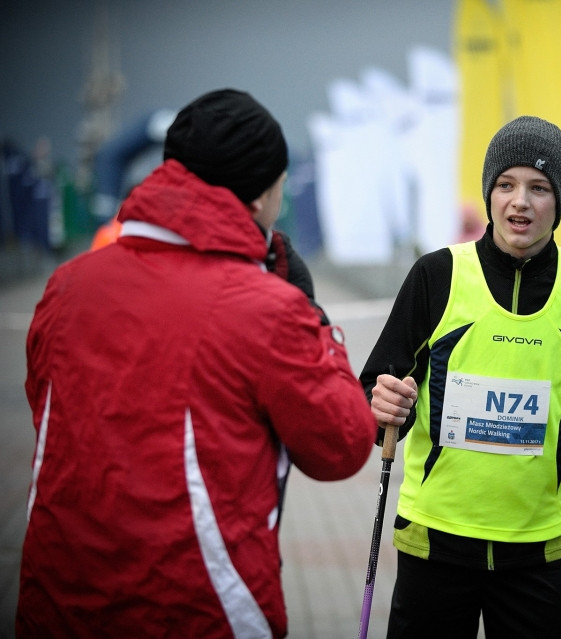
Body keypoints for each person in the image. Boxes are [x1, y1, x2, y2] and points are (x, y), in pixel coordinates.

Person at [17, 89, 378, 638]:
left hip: (58, 604)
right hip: (198, 610)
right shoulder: (266, 308)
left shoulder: (65, 287)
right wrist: (312, 317)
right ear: (259, 197)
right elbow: (342, 445)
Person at [359, 115, 561, 638]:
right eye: (505, 185)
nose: (520, 202)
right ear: (488, 194)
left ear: (560, 201)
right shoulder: (437, 275)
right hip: (434, 541)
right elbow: (374, 384)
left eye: (539, 188)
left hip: (538, 549)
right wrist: (382, 407)